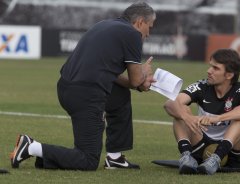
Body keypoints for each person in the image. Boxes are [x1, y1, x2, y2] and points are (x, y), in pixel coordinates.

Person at [10, 2, 156, 171]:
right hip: (86, 94)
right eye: (149, 27)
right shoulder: (132, 34)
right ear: (140, 22)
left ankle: (115, 158)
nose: (149, 34)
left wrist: (137, 84)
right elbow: (136, 80)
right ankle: (31, 147)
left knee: (120, 96)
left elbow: (113, 75)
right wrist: (143, 74)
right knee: (88, 160)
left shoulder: (105, 25)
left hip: (67, 88)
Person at [164, 49, 240, 175]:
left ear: (229, 75)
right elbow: (169, 103)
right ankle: (186, 157)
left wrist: (219, 118)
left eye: (215, 68)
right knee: (181, 109)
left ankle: (216, 159)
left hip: (233, 151)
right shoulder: (202, 86)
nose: (209, 71)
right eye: (210, 66)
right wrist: (186, 117)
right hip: (202, 146)